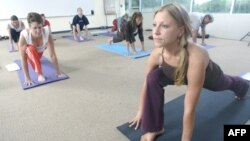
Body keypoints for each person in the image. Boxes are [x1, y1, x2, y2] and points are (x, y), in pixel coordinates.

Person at [129, 3, 249, 141]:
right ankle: (156, 128)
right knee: (152, 78)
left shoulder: (196, 56)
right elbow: (146, 84)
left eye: (165, 26)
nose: (155, 31)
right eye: (155, 24)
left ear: (180, 30)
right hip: (175, 72)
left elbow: (190, 108)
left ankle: (243, 86)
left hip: (209, 77)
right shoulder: (156, 54)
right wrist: (141, 111)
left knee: (227, 82)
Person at [18, 12, 65, 85]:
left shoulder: (47, 32)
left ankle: (36, 61)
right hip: (28, 53)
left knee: (36, 55)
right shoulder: (24, 36)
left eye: (40, 27)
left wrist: (58, 72)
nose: (38, 30)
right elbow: (23, 59)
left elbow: (52, 54)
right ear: (30, 27)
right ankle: (40, 74)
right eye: (35, 28)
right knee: (31, 49)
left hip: (39, 52)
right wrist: (27, 77)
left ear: (42, 25)